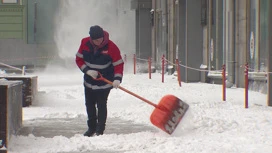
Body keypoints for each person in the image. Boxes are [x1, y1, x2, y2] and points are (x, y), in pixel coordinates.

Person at [75, 25, 124, 136]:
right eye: (96, 40)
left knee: (101, 105)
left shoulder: (112, 47)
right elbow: (79, 59)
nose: (99, 41)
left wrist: (117, 79)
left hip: (105, 81)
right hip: (89, 81)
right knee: (89, 105)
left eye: (101, 39)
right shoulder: (84, 43)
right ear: (91, 39)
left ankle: (100, 129)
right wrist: (87, 71)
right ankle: (91, 128)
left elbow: (118, 64)